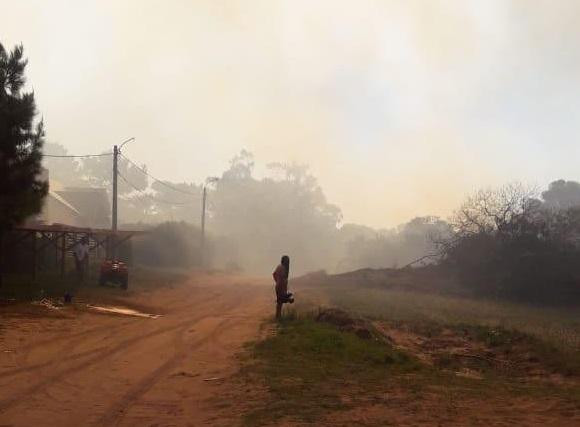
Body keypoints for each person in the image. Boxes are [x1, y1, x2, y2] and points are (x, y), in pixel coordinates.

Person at [272, 255, 294, 319]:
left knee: (280, 302)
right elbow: (282, 279)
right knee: (281, 302)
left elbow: (274, 274)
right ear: (284, 261)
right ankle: (278, 316)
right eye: (287, 261)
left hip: (279, 286)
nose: (288, 262)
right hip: (281, 287)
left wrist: (277, 281)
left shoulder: (279, 266)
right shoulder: (283, 268)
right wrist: (279, 283)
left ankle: (278, 316)